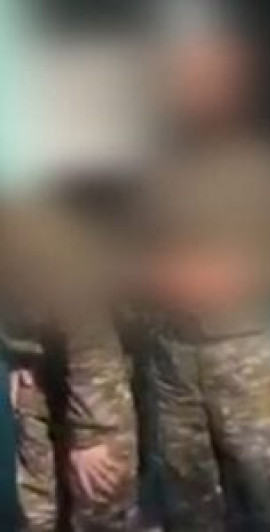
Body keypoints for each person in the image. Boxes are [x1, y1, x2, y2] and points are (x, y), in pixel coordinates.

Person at [137, 24, 270, 532]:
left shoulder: (267, 169)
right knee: (186, 506)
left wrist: (240, 273)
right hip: (171, 366)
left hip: (244, 364)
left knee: (266, 503)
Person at [1, 177, 139, 531]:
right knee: (40, 507)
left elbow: (91, 335)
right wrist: (20, 355)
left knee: (98, 497)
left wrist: (93, 436)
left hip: (99, 370)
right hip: (45, 360)